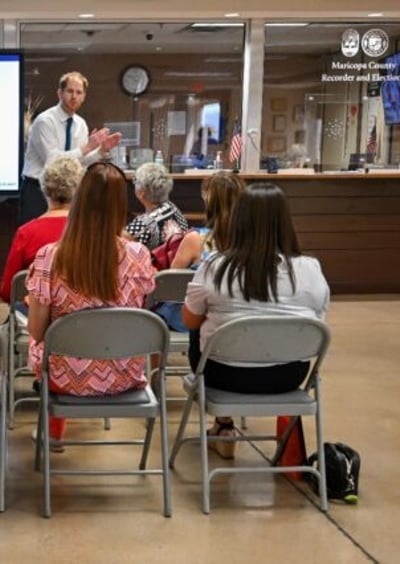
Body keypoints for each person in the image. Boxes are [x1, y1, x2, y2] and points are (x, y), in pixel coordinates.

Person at [182, 183, 330, 459]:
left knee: (201, 325)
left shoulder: (216, 266)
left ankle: (223, 426)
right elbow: (318, 323)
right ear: (286, 222)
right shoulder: (310, 269)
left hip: (223, 373)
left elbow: (189, 319)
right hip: (289, 374)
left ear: (239, 219)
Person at [27, 162, 156, 449]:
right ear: (120, 205)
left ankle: (53, 432)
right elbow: (139, 315)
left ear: (79, 199)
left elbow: (37, 332)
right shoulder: (140, 256)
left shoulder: (50, 257)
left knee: (41, 343)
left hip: (63, 378)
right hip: (125, 375)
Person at [19, 71, 121, 224]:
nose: (74, 96)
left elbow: (79, 162)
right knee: (36, 239)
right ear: (60, 93)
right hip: (38, 190)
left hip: (68, 193)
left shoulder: (80, 124)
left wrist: (100, 151)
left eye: (79, 92)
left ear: (84, 97)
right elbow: (52, 160)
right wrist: (87, 147)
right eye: (70, 91)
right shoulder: (45, 121)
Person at [155, 171, 246, 332]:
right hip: (240, 317)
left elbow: (169, 286)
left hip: (196, 320)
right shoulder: (254, 242)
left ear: (208, 200)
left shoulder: (196, 240)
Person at [0, 155, 84, 303]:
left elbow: (8, 291)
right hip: (87, 316)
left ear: (44, 189)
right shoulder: (94, 231)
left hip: (36, 313)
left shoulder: (27, 232)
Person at [125, 162, 189, 249]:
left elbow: (120, 243)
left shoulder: (143, 224)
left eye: (135, 180)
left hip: (155, 262)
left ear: (141, 193)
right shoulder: (172, 207)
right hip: (178, 259)